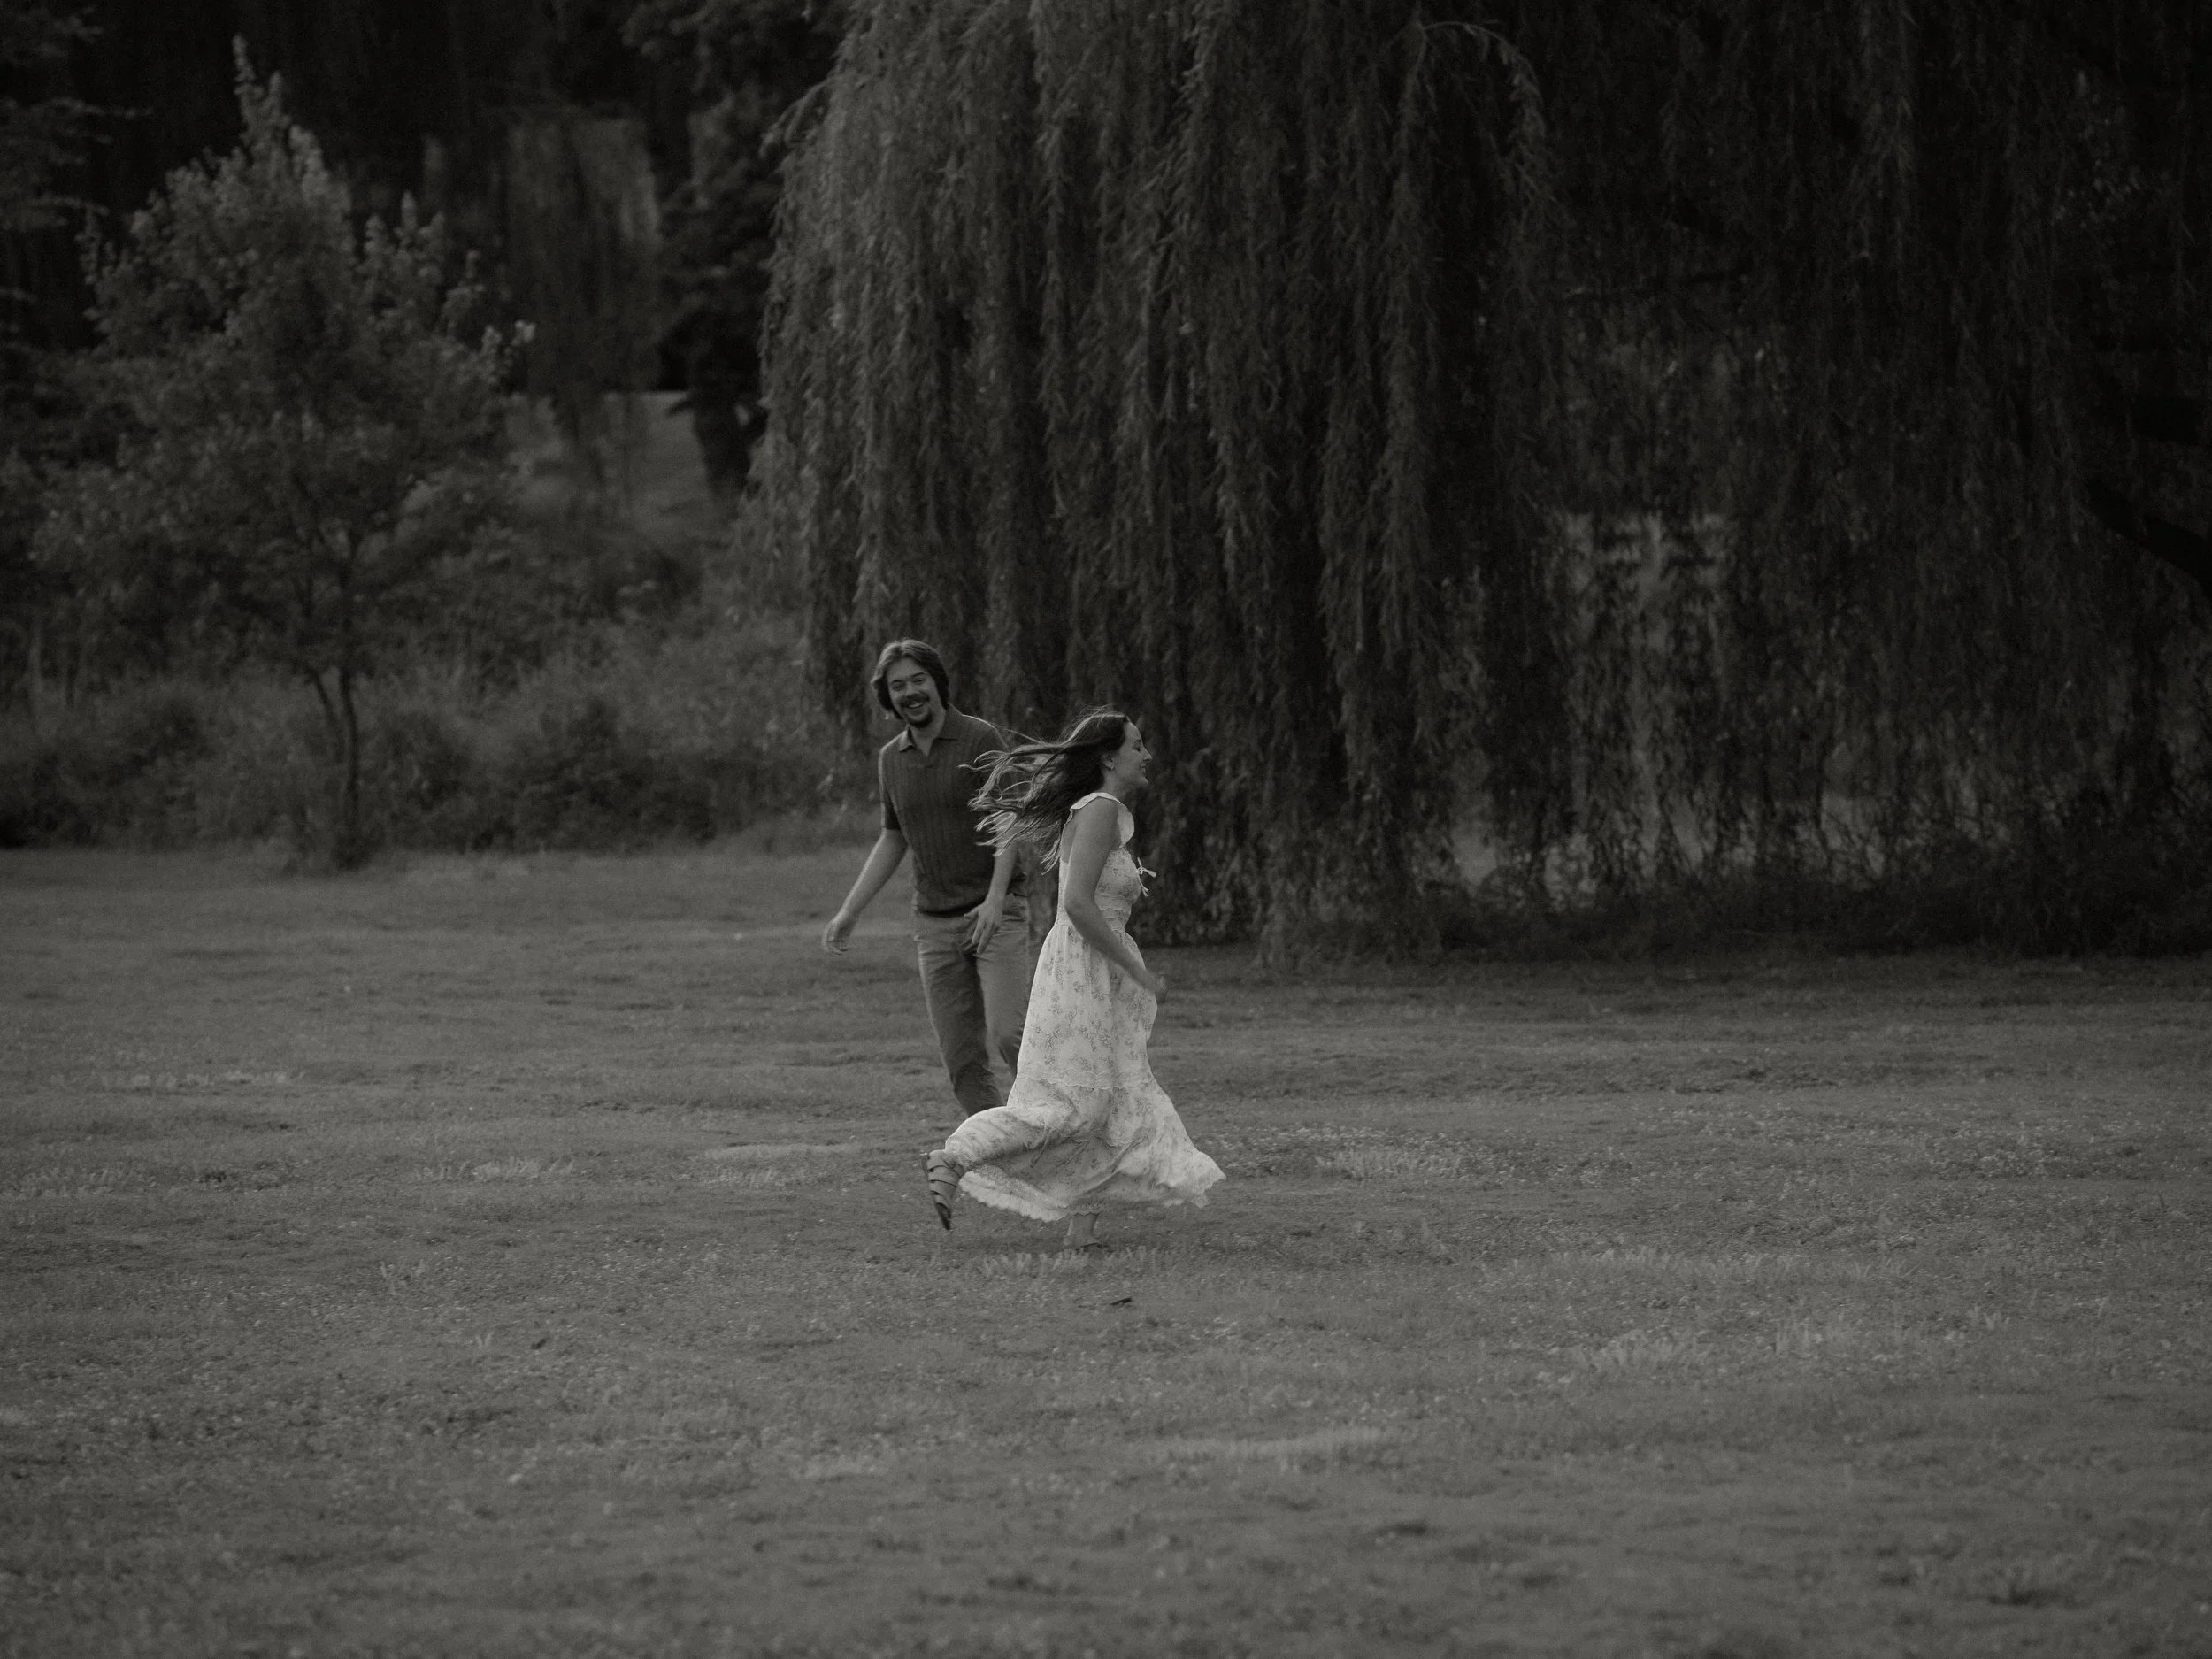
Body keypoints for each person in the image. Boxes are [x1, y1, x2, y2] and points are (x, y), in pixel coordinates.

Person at [923, 709, 1223, 1250]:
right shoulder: (1103, 808)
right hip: (1083, 971)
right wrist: (1135, 969)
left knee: (1105, 1103)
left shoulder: (1099, 809)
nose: (1147, 754)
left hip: (1086, 969)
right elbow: (1079, 905)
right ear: (1109, 758)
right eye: (1137, 745)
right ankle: (956, 1155)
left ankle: (1081, 1234)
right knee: (1070, 1108)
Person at [822, 640, 1031, 1119]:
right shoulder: (891, 759)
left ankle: (1051, 1122)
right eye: (898, 686)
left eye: (918, 680)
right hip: (934, 926)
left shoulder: (980, 740)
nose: (910, 692)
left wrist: (997, 897)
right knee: (961, 1058)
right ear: (888, 698)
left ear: (938, 682)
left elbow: (1009, 819)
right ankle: (995, 1149)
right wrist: (849, 912)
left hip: (992, 915)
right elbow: (893, 838)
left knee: (1009, 1034)